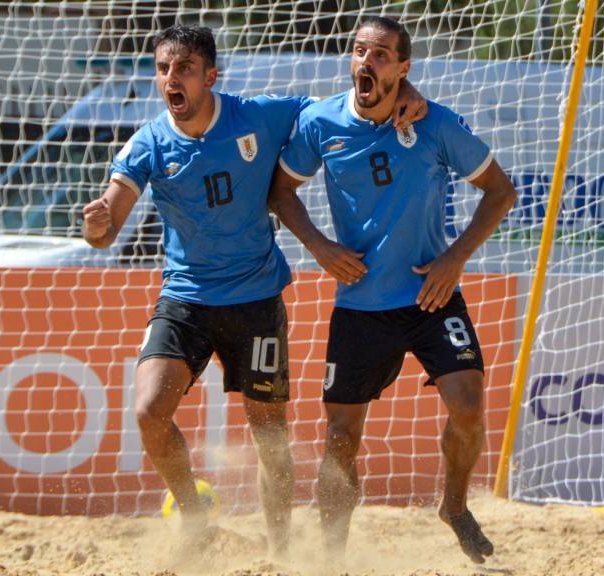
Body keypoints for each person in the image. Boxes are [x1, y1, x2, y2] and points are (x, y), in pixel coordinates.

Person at [81, 25, 426, 558]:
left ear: (210, 77)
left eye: (185, 69)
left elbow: (349, 106)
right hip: (186, 298)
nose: (172, 79)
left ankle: (280, 553)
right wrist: (98, 224)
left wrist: (406, 93)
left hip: (255, 301)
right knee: (150, 411)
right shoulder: (148, 141)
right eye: (164, 69)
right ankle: (195, 520)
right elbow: (106, 226)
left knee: (271, 441)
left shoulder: (260, 115)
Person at [267, 16, 517, 565]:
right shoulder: (320, 122)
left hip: (432, 294)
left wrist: (455, 258)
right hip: (360, 304)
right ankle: (331, 558)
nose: (365, 62)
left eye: (381, 55)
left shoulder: (434, 123)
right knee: (340, 435)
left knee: (470, 404)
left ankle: (453, 507)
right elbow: (281, 191)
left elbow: (501, 192)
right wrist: (319, 247)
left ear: (403, 69)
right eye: (359, 51)